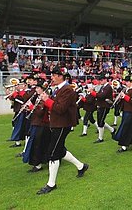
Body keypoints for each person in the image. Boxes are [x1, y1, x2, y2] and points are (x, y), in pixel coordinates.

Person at [38, 67, 89, 195]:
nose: (52, 78)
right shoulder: (60, 89)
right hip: (56, 123)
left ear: (61, 76)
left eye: (54, 75)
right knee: (60, 150)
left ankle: (51, 184)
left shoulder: (67, 90)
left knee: (53, 153)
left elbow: (60, 108)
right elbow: (56, 106)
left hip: (62, 124)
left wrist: (47, 100)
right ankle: (81, 166)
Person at [22, 79, 51, 173]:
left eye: (38, 88)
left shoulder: (44, 98)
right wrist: (29, 108)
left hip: (41, 124)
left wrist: (31, 107)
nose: (36, 89)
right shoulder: (38, 97)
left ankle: (38, 164)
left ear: (43, 89)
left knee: (37, 145)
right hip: (36, 123)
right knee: (38, 144)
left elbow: (40, 112)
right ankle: (41, 162)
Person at [113, 75, 132, 152]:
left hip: (131, 111)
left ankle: (124, 145)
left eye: (127, 82)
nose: (126, 83)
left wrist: (124, 96)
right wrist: (120, 98)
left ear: (131, 82)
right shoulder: (127, 90)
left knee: (126, 128)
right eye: (126, 82)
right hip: (127, 111)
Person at [88, 73, 116, 143]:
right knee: (100, 121)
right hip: (101, 105)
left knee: (100, 122)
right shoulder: (103, 87)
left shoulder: (108, 87)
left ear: (105, 80)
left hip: (105, 106)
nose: (100, 82)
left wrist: (93, 92)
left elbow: (102, 96)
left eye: (101, 80)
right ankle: (112, 130)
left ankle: (100, 138)